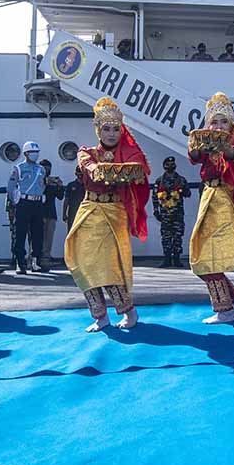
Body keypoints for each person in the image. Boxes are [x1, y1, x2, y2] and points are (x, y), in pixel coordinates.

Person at [65, 98, 150, 331]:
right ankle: (99, 316)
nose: (111, 134)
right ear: (98, 130)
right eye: (106, 129)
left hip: (114, 213)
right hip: (89, 210)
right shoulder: (87, 152)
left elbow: (139, 171)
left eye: (115, 129)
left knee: (109, 264)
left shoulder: (131, 153)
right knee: (81, 261)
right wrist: (100, 170)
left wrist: (119, 172)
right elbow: (90, 169)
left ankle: (128, 311)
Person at [188, 92, 234, 323]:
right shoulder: (205, 138)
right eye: (214, 122)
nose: (218, 126)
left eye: (223, 122)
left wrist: (225, 148)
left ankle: (225, 309)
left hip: (227, 199)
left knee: (204, 256)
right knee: (200, 255)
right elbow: (194, 156)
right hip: (209, 196)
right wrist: (198, 145)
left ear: (232, 124)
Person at [8, 141, 48, 274]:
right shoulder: (18, 168)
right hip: (24, 203)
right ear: (26, 153)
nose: (35, 155)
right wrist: (15, 201)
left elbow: (43, 185)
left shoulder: (41, 169)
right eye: (32, 152)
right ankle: (20, 263)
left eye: (36, 152)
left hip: (37, 203)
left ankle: (36, 261)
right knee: (20, 233)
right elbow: (11, 187)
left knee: (38, 233)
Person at [152, 156, 191, 268]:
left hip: (178, 213)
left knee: (178, 236)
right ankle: (167, 259)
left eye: (172, 164)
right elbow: (155, 197)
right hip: (165, 214)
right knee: (166, 237)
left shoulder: (181, 180)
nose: (170, 166)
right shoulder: (159, 180)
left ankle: (177, 259)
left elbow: (188, 194)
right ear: (164, 166)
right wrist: (156, 211)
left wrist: (182, 191)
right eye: (167, 164)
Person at [40, 159, 65, 269]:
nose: (47, 170)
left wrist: (60, 186)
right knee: (37, 237)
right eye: (44, 168)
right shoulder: (37, 180)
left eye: (48, 168)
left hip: (51, 213)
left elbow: (60, 197)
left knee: (49, 238)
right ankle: (35, 258)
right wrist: (45, 181)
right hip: (39, 213)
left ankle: (46, 259)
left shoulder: (53, 182)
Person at [62, 164, 85, 233]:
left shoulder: (87, 186)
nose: (80, 175)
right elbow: (66, 200)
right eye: (78, 172)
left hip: (84, 213)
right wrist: (64, 214)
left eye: (81, 173)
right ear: (75, 173)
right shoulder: (71, 185)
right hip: (72, 213)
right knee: (71, 232)